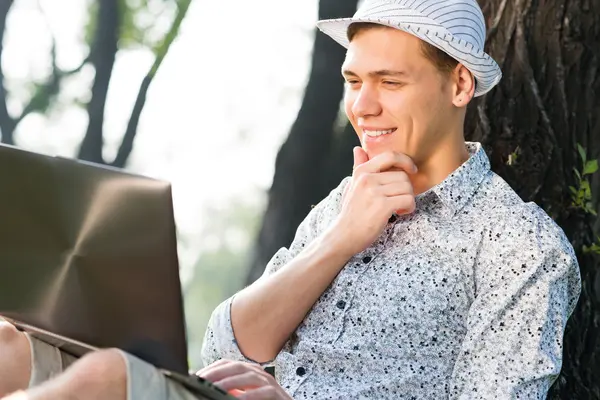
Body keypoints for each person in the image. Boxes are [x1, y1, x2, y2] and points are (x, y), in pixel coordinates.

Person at [0, 0, 581, 399]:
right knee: (11, 347)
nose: (363, 106)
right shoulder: (342, 205)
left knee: (105, 374)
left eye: (390, 82)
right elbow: (227, 343)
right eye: (354, 81)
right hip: (217, 388)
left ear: (459, 85)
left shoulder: (519, 246)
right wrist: (341, 239)